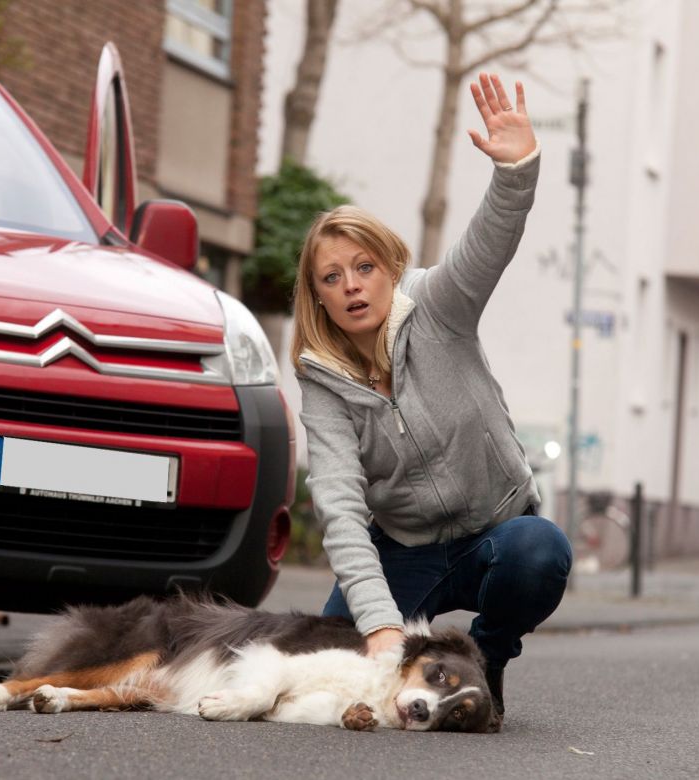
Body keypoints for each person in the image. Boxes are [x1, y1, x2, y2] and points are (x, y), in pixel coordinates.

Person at [290, 72, 572, 720]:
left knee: (542, 552)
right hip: (404, 551)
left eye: (364, 268)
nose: (353, 287)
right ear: (320, 296)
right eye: (333, 278)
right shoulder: (322, 379)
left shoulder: (438, 309)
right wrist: (380, 625)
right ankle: (414, 667)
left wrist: (517, 169)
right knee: (331, 653)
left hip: (497, 535)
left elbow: (490, 243)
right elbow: (336, 502)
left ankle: (487, 655)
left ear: (389, 268)